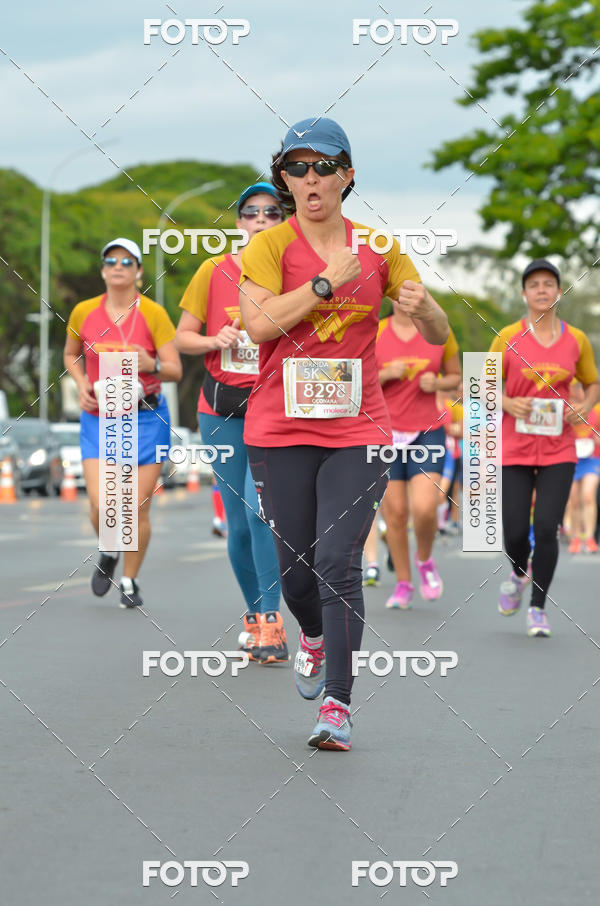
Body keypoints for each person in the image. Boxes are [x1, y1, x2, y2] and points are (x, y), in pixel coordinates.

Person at [239, 117, 449, 750]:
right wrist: (327, 279)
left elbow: (438, 333)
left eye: (324, 166)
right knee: (297, 572)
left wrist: (425, 309)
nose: (311, 179)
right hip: (279, 427)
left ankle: (337, 704)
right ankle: (310, 633)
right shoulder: (269, 247)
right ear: (284, 179)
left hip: (359, 427)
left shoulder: (381, 248)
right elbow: (258, 326)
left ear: (347, 175)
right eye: (298, 168)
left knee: (337, 561)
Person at [175, 183, 289, 665]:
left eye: (271, 212)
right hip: (220, 410)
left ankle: (273, 624)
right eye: (251, 213)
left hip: (274, 408)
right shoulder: (212, 270)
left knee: (264, 514)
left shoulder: (297, 272)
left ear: (283, 221)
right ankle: (255, 618)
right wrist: (214, 339)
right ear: (239, 222)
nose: (261, 219)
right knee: (239, 522)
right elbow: (182, 338)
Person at [63, 238, 182, 608]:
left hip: (146, 418)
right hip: (99, 419)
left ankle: (129, 580)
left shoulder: (154, 314)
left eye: (127, 261)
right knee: (102, 504)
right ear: (102, 269)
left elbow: (175, 369)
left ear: (139, 271)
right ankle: (109, 548)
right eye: (111, 260)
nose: (118, 266)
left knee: (136, 506)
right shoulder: (84, 311)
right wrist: (82, 384)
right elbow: (70, 354)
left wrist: (151, 365)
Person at [490, 258, 600, 637]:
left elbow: (592, 383)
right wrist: (507, 403)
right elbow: (480, 384)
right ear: (524, 293)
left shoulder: (577, 340)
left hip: (559, 448)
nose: (541, 289)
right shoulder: (506, 336)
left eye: (548, 283)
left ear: (558, 292)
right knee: (516, 531)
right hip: (515, 447)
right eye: (533, 284)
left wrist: (583, 407)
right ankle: (520, 573)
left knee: (547, 526)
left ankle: (537, 608)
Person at [376, 304, 461, 609]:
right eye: (399, 291)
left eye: (412, 290)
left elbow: (456, 377)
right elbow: (354, 378)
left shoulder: (437, 329)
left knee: (426, 507)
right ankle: (403, 583)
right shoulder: (375, 329)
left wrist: (437, 384)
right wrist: (385, 374)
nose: (405, 298)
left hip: (428, 429)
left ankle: (424, 560)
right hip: (384, 432)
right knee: (396, 513)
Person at [565, 381, 600, 553]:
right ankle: (576, 538)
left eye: (580, 387)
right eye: (575, 387)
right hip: (571, 458)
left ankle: (590, 538)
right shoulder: (564, 408)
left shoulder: (596, 410)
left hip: (592, 458)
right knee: (574, 499)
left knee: (587, 496)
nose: (578, 391)